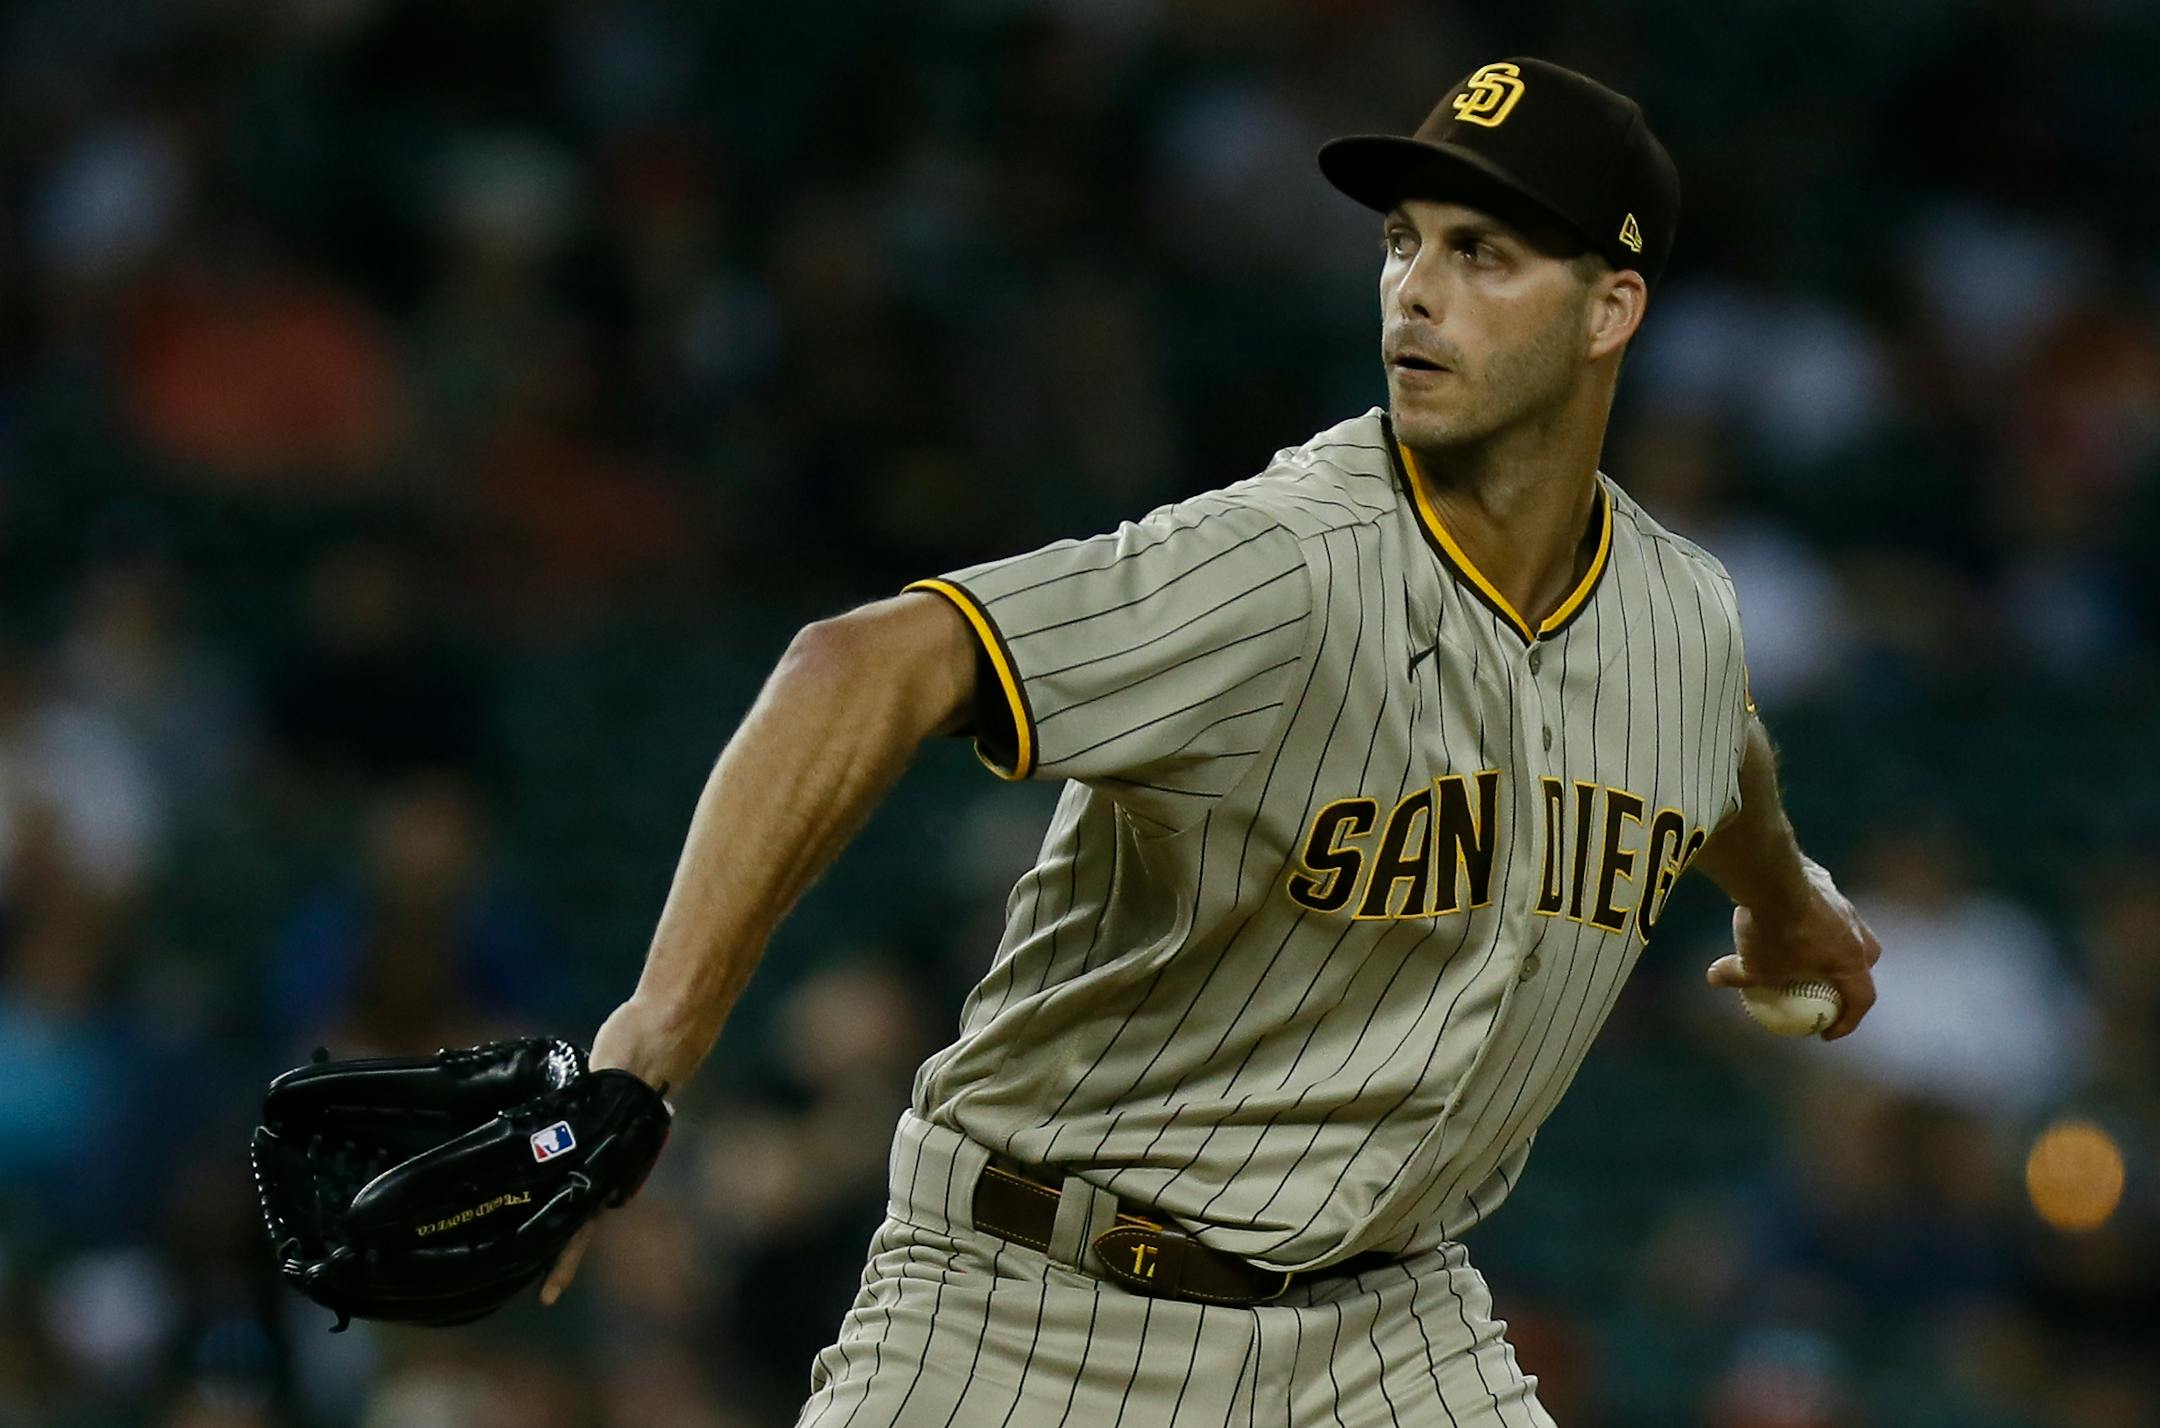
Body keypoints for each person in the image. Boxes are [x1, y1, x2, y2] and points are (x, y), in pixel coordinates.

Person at [540, 56, 1882, 1426]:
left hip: (1387, 1330)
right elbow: (856, 665)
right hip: (1036, 1311)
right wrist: (650, 1040)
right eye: (1403, 243)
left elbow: (1715, 758)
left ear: (1612, 308)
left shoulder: (1681, 613)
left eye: (1482, 253)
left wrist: (1785, 908)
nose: (1415, 290)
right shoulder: (1285, 568)